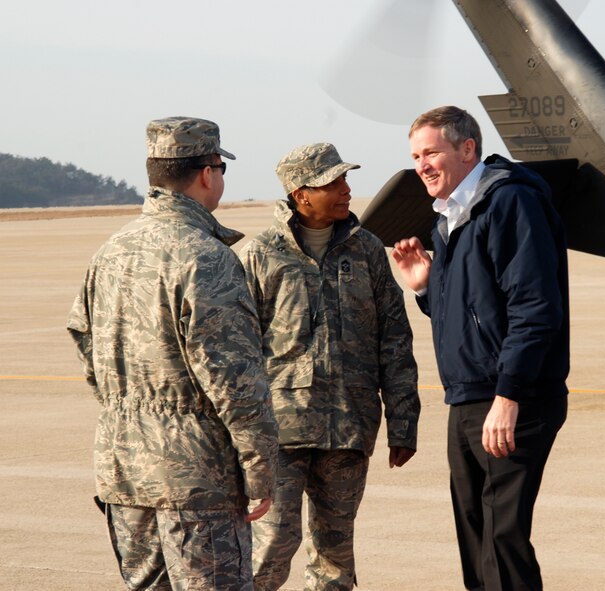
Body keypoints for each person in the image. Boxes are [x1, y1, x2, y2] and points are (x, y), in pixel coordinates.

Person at [67, 116, 279, 590]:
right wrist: (261, 470)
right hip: (197, 480)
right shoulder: (206, 257)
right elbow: (236, 382)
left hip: (124, 470)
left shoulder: (111, 251)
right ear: (207, 173)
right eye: (221, 168)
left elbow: (86, 344)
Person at [392, 106, 569, 591]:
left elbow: (536, 309)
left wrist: (509, 396)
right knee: (476, 537)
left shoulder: (509, 203)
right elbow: (478, 314)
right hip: (468, 398)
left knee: (503, 539)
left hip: (512, 398)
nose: (421, 165)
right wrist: (427, 289)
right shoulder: (451, 216)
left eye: (431, 152)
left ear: (468, 148)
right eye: (415, 156)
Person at [240, 142, 421, 591]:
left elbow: (394, 339)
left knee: (335, 555)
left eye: (345, 180)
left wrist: (404, 422)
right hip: (278, 432)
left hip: (348, 427)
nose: (346, 190)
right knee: (270, 548)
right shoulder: (260, 255)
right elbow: (237, 350)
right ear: (302, 194)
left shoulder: (368, 252)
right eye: (333, 183)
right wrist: (239, 434)